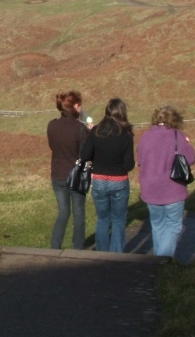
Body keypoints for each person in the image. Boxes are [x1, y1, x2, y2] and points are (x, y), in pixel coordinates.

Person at [136, 105, 195, 258]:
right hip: (173, 189)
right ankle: (162, 262)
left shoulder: (145, 137)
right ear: (174, 120)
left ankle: (158, 261)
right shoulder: (178, 136)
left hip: (150, 189)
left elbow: (140, 161)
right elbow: (190, 159)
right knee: (173, 226)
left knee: (157, 226)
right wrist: (187, 144)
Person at [80, 98, 134, 252]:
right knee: (118, 221)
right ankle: (116, 255)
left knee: (102, 220)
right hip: (119, 180)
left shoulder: (96, 131)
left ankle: (102, 254)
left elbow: (84, 155)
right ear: (122, 113)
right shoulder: (126, 134)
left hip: (99, 179)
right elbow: (128, 165)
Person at [47, 89, 88, 250]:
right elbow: (84, 154)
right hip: (75, 176)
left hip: (57, 174)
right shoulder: (80, 129)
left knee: (63, 212)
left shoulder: (52, 125)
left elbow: (52, 146)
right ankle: (78, 247)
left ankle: (55, 245)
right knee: (78, 212)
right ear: (76, 106)